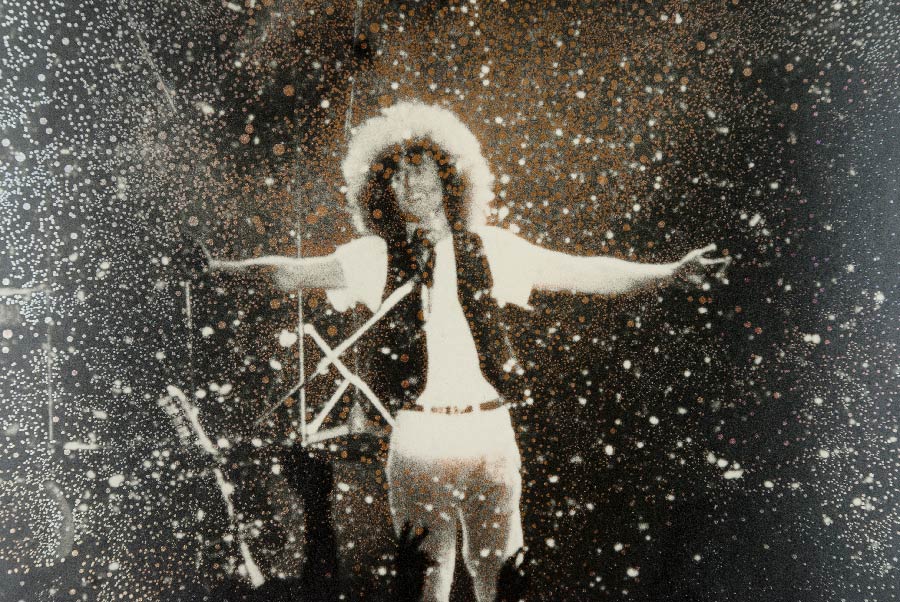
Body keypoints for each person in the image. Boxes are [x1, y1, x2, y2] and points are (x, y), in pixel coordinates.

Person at [208, 101, 729, 602]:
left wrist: (669, 273)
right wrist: (219, 270)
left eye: (418, 168)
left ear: (448, 175)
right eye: (395, 174)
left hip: (489, 435)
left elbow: (585, 272)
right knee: (422, 587)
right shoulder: (374, 256)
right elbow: (288, 273)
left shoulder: (492, 247)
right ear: (380, 188)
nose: (407, 183)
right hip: (417, 440)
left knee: (502, 583)